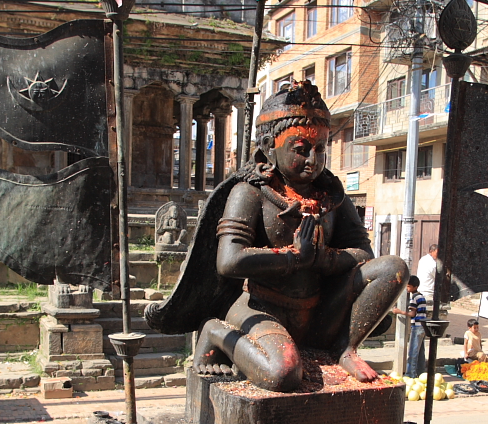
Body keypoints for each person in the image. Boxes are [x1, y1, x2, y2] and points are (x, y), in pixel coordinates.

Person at [145, 81, 409, 392]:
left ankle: (344, 348)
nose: (313, 160)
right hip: (262, 306)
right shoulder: (250, 193)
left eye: (321, 148)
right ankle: (216, 331)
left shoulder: (333, 198)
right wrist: (293, 258)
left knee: (394, 268)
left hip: (319, 310)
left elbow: (365, 254)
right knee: (282, 374)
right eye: (301, 149)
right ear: (270, 147)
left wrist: (323, 260)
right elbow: (229, 261)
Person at [392, 276, 427, 377]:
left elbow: (412, 314)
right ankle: (420, 374)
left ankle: (410, 375)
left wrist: (400, 311)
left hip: (417, 327)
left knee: (412, 353)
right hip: (423, 327)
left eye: (408, 287)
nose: (407, 289)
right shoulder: (421, 296)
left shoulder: (414, 297)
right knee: (420, 353)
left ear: (415, 287)